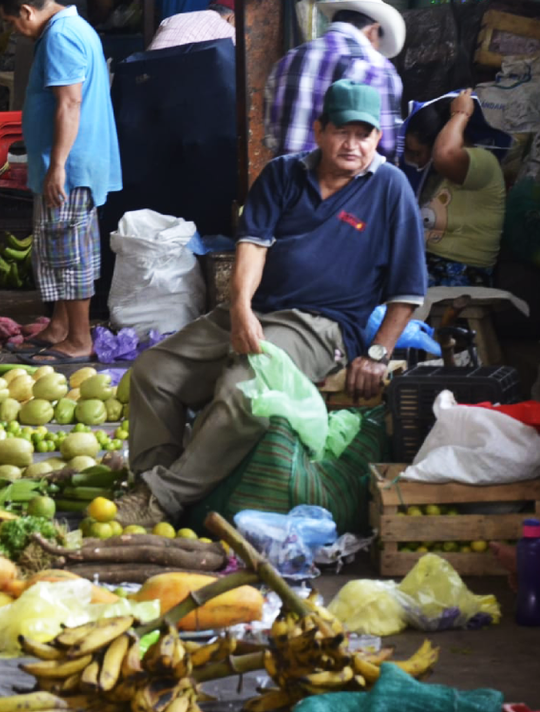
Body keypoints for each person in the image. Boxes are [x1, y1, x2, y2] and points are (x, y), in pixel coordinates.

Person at [119, 81, 427, 525]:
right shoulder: (284, 174)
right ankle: (151, 485)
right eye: (342, 131)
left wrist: (378, 353)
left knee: (245, 389)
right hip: (258, 311)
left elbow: (407, 290)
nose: (352, 144)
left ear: (377, 138)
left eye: (364, 135)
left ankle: (160, 500)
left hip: (321, 326)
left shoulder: (390, 188)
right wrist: (240, 308)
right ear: (319, 130)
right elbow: (253, 246)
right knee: (155, 371)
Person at [0, 0, 122, 366]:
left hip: (71, 164)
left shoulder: (61, 37)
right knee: (59, 248)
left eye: (11, 22)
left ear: (26, 10)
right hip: (70, 161)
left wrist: (58, 165)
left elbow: (69, 103)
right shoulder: (69, 29)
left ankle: (79, 340)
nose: (15, 31)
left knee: (69, 255)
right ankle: (59, 327)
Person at [265, 0, 405, 162]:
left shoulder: (287, 60)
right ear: (373, 31)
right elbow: (387, 144)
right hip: (346, 176)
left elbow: (271, 133)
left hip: (286, 174)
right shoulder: (377, 67)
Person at [403, 90, 506, 288]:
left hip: (461, 272)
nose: (415, 160)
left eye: (418, 153)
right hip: (428, 263)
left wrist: (460, 114)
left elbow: (445, 155)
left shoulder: (484, 163)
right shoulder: (431, 178)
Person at [147, 0, 235, 51]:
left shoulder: (173, 18)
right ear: (232, 18)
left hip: (147, 71)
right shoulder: (225, 28)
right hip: (177, 72)